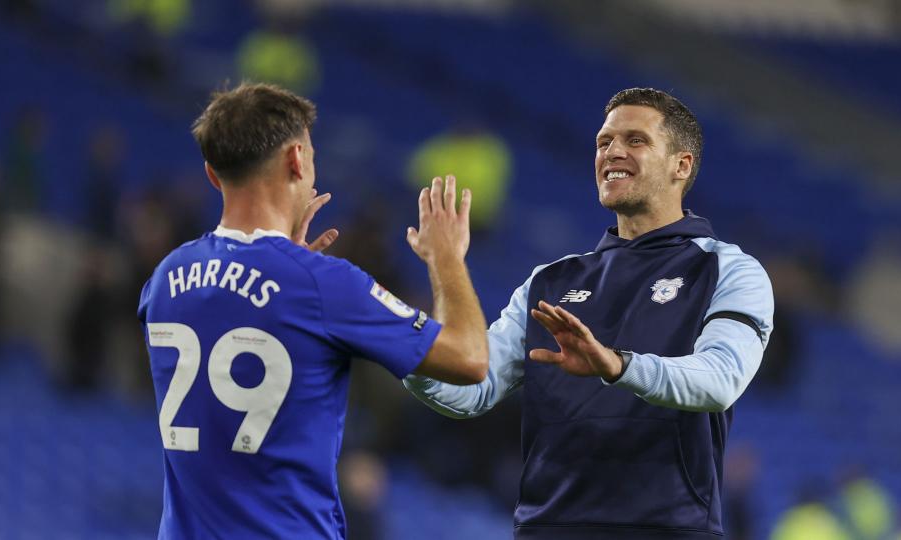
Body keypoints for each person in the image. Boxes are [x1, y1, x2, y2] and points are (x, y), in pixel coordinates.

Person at [405, 88, 775, 539]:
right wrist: (394, 336)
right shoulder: (549, 282)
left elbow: (719, 380)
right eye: (604, 142)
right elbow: (470, 392)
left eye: (635, 140)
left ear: (682, 165)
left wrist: (620, 366)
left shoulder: (728, 270)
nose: (613, 151)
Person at [137, 82, 488, 539]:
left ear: (211, 174)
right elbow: (469, 358)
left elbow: (238, 304)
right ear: (296, 159)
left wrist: (287, 266)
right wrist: (446, 259)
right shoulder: (322, 284)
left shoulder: (165, 278)